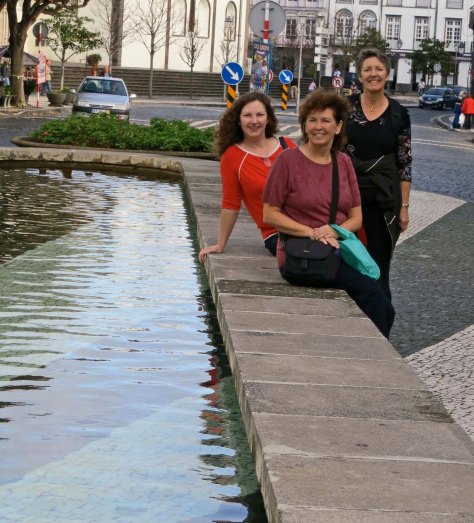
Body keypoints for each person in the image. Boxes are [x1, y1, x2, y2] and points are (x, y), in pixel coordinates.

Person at [262, 89, 394, 338]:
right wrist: (313, 233)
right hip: (301, 254)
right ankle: (373, 363)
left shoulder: (343, 163)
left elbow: (356, 217)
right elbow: (269, 214)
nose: (318, 126)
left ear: (338, 126)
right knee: (375, 300)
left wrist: (332, 230)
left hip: (337, 250)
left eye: (325, 120)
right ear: (304, 125)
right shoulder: (287, 161)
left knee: (384, 303)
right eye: (312, 120)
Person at [345, 48, 412, 301]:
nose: (373, 74)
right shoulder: (345, 107)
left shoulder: (398, 114)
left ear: (387, 74)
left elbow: (405, 163)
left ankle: (380, 317)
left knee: (379, 265)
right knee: (347, 260)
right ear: (360, 75)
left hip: (384, 203)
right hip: (347, 200)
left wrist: (404, 207)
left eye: (379, 69)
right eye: (367, 69)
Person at [198, 92, 296, 263]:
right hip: (279, 236)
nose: (254, 121)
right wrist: (220, 245)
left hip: (312, 224)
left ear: (268, 118)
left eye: (260, 114)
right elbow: (231, 204)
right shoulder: (232, 156)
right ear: (238, 120)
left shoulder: (287, 146)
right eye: (247, 115)